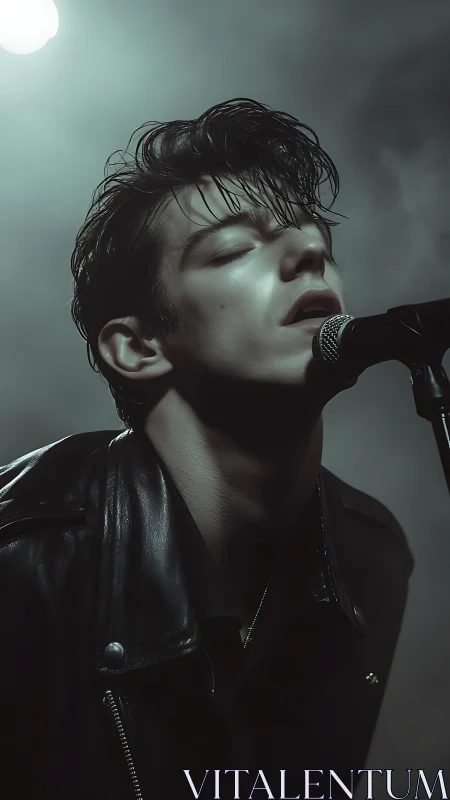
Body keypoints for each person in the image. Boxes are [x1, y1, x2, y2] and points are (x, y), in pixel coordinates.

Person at [0, 98, 414, 800]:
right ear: (136, 346)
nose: (310, 253)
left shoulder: (369, 556)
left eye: (314, 240)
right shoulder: (23, 558)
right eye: (232, 249)